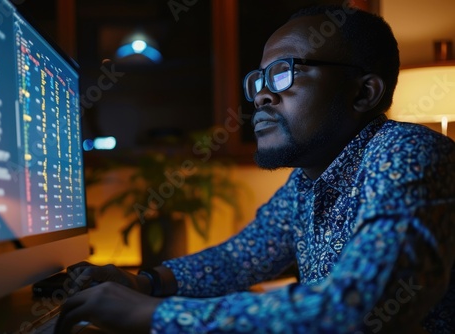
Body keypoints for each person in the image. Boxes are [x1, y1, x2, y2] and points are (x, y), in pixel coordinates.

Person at [55, 5, 455, 333]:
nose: (261, 94)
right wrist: (141, 282)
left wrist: (152, 316)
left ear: (363, 92)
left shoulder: (408, 154)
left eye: (284, 72)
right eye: (259, 78)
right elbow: (239, 259)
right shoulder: (306, 181)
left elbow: (360, 306)